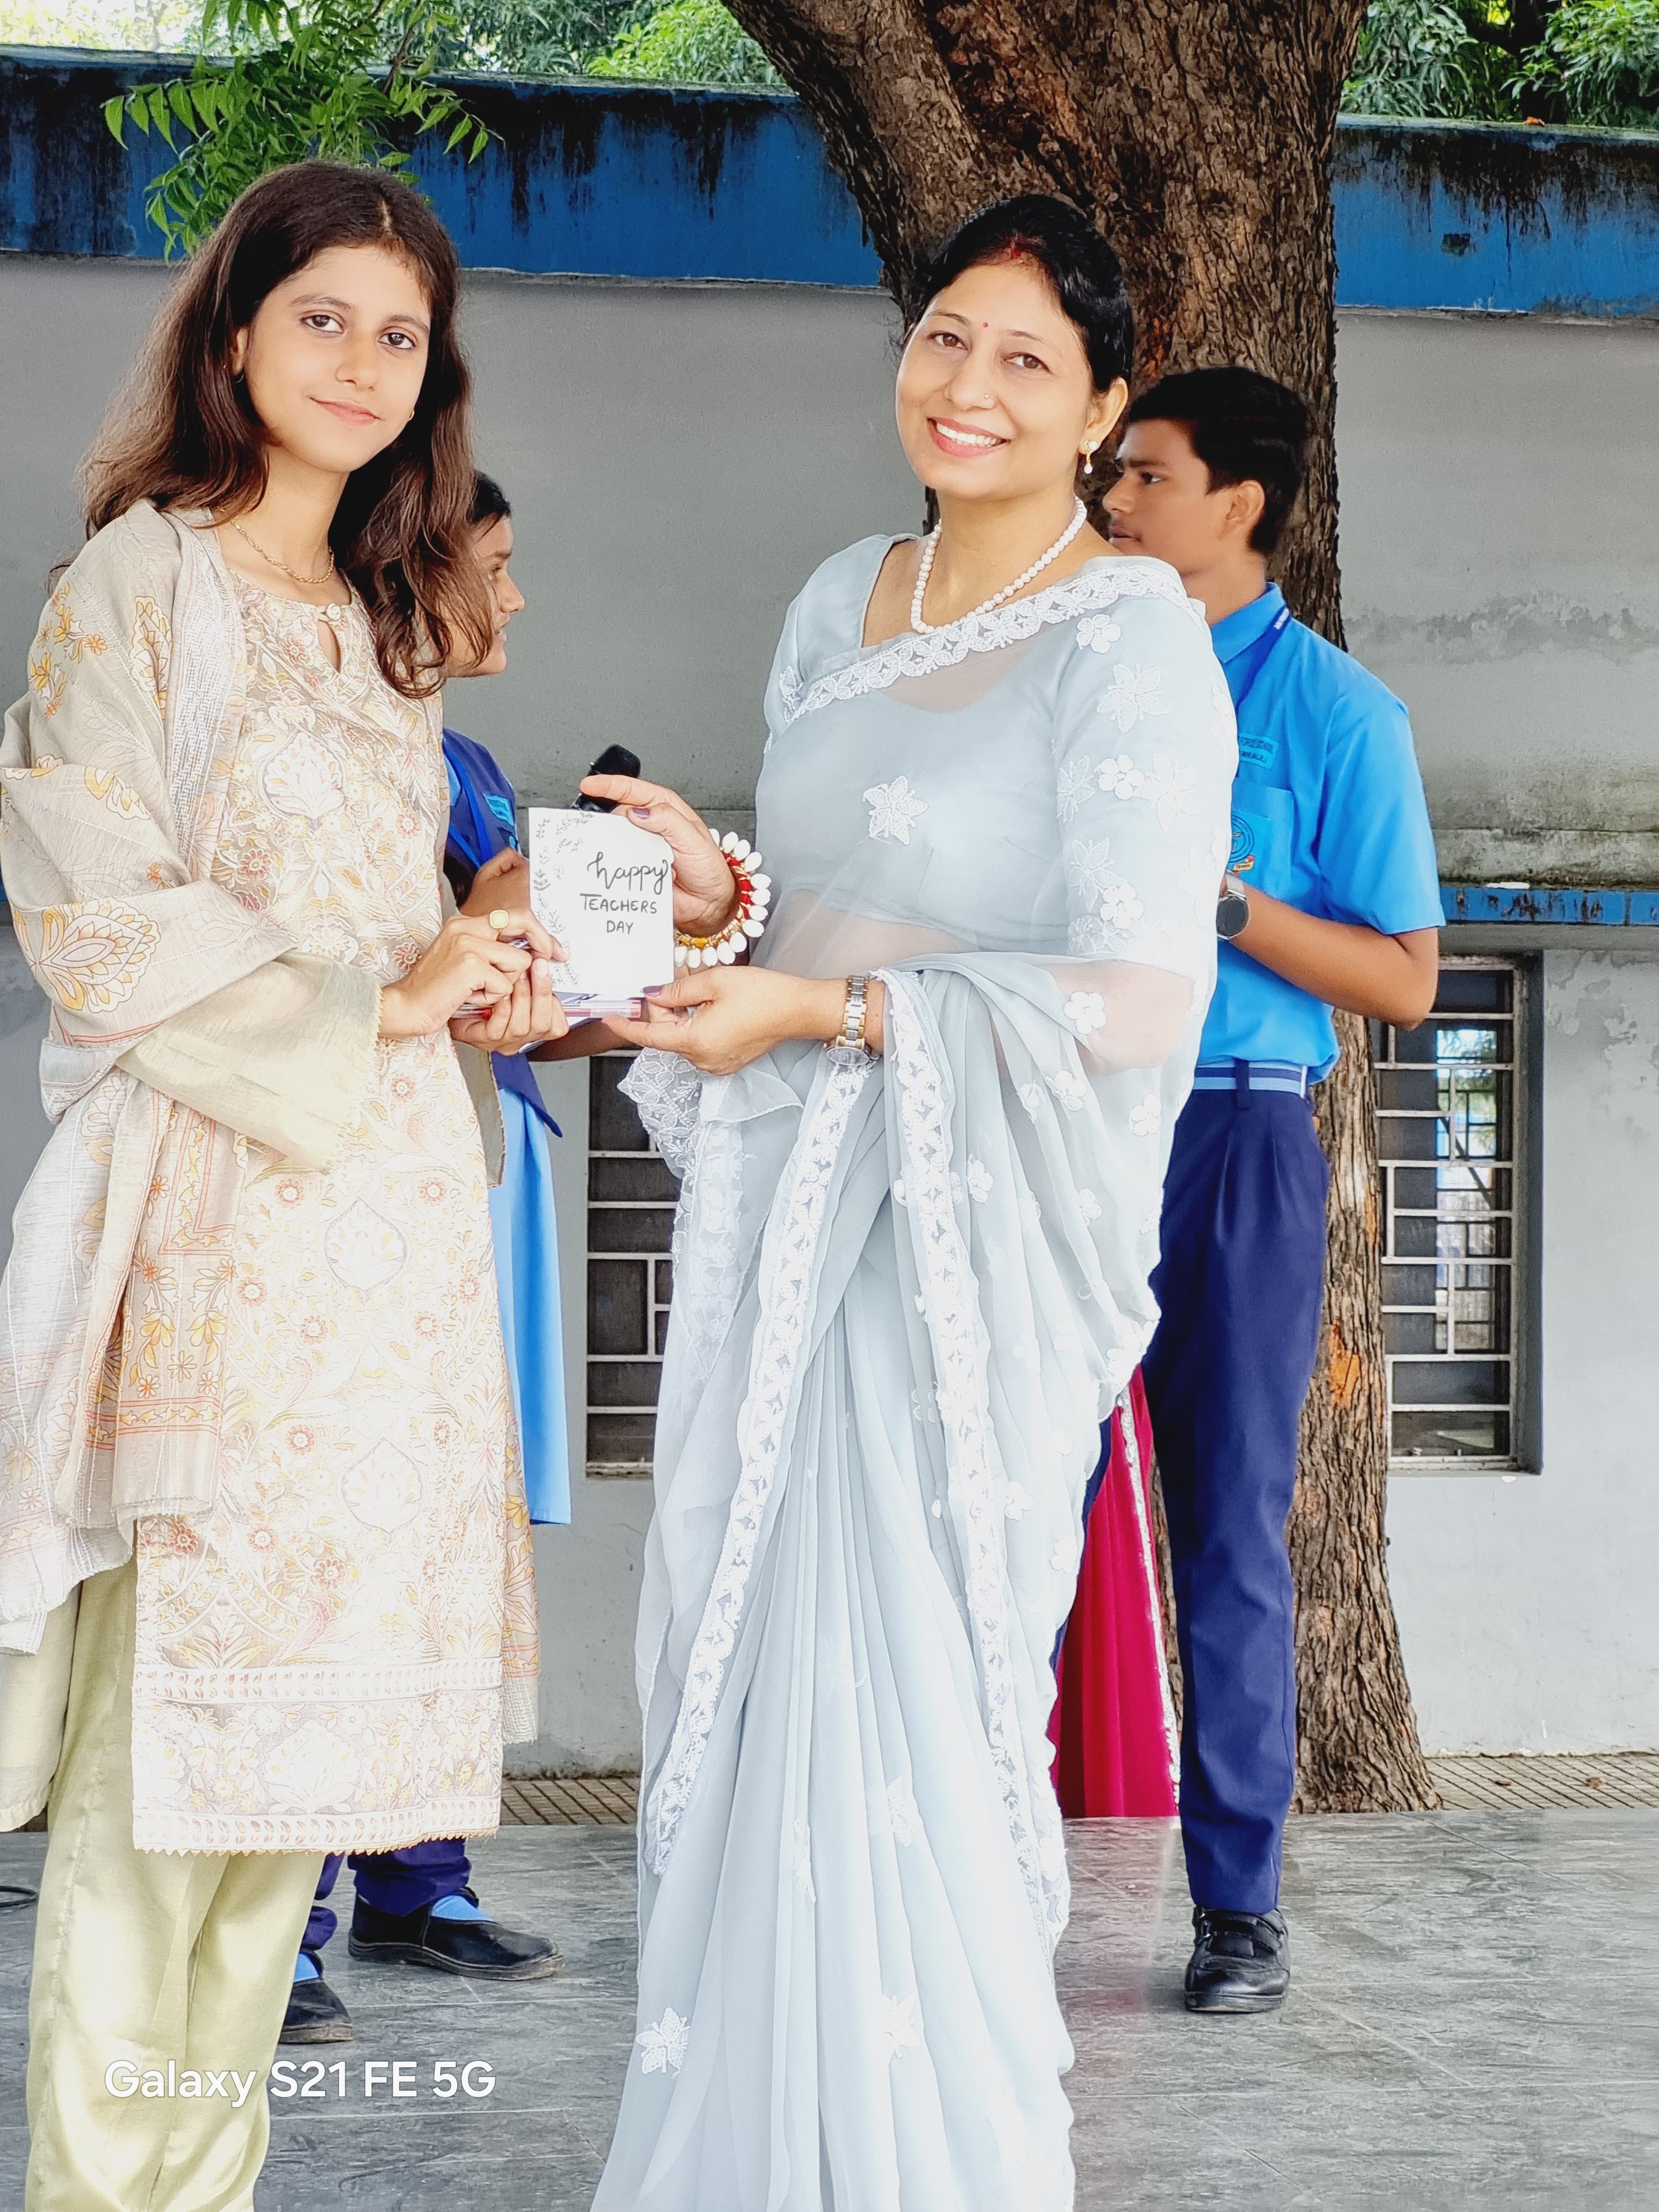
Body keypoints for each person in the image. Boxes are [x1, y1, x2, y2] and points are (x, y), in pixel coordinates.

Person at [569, 195, 1235, 2208]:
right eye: (945, 337)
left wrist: (826, 1008)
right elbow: (828, 897)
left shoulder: (1130, 635)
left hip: (955, 1262)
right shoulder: (835, 597)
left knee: (912, 1708)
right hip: (785, 1227)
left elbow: (1137, 995)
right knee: (750, 1681)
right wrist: (727, 895)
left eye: (1030, 359)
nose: (970, 387)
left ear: (1103, 409)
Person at [0, 162, 561, 2208]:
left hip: (393, 1251)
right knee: (168, 1782)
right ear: (233, 337)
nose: (363, 361)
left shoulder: (394, 630)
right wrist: (381, 996)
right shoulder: (137, 585)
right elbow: (92, 903)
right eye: (323, 317)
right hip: (218, 1239)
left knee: (290, 1789)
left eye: (401, 334)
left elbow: (411, 942)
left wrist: (494, 953)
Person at [1103, 367, 1441, 2015]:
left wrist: (1228, 909)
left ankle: (1238, 1908)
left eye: (1144, 476)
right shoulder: (1075, 677)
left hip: (1235, 1139)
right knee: (1009, 1506)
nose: (1111, 502)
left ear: (1236, 504)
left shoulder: (1337, 714)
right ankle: (970, 1887)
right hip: (1066, 1121)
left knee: (1231, 1524)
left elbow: (1406, 980)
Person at [283, 472, 566, 2045]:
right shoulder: (309, 747)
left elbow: (509, 982)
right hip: (329, 1175)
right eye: (493, 565)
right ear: (410, 568)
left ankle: (419, 1874)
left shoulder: (465, 764)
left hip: (471, 1157)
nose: (513, 598)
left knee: (446, 1518)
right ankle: (287, 1916)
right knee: (332, 1533)